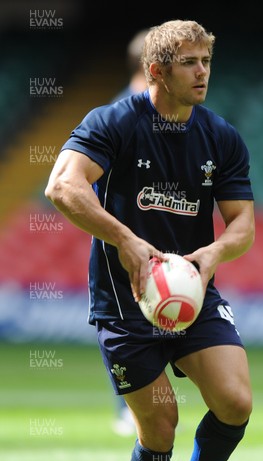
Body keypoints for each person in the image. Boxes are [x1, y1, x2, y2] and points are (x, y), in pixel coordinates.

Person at [45, 19, 255, 461]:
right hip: (125, 299)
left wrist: (212, 255)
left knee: (235, 402)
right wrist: (127, 241)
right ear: (157, 70)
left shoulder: (221, 136)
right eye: (190, 63)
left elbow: (243, 226)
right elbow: (63, 186)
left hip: (192, 289)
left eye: (206, 61)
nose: (203, 72)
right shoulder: (112, 122)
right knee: (159, 423)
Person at [110, 29, 149, 436]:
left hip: (160, 236)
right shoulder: (119, 114)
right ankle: (129, 406)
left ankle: (136, 408)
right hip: (130, 238)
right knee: (126, 319)